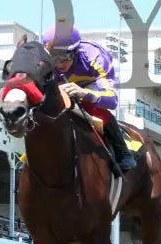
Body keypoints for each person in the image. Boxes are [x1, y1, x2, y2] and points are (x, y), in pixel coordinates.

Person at [40, 20, 136, 173]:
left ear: (75, 52)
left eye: (65, 58)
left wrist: (84, 93)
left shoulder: (95, 58)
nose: (60, 65)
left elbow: (112, 100)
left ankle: (122, 151)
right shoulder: (43, 63)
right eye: (55, 59)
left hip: (91, 83)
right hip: (62, 86)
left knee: (92, 108)